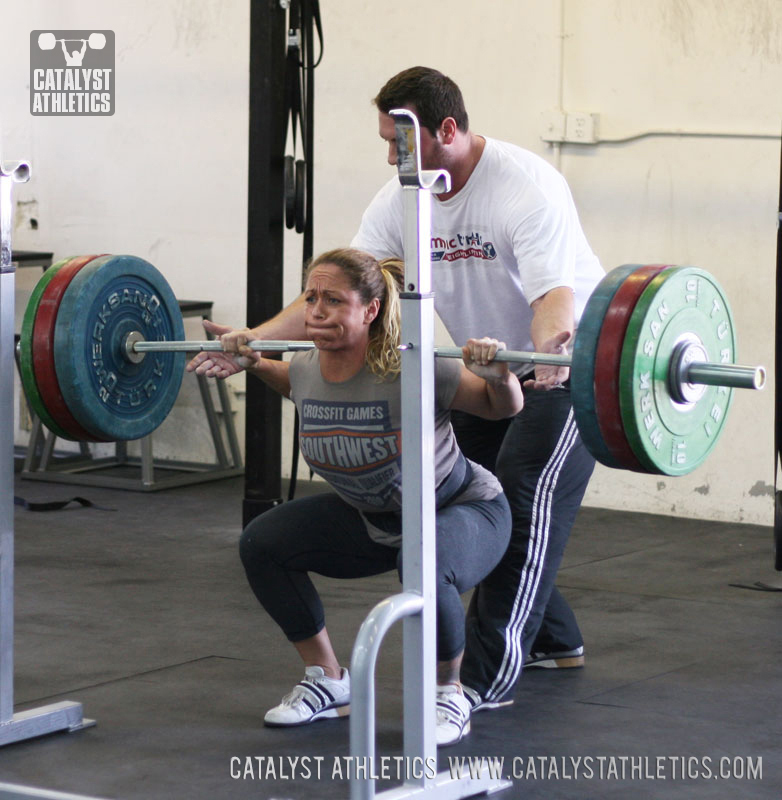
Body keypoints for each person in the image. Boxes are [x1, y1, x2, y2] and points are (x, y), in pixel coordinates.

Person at [190, 66, 605, 715]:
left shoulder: (525, 187)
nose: (391, 157)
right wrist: (256, 339)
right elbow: (344, 292)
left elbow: (555, 296)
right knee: (471, 506)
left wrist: (551, 353)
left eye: (400, 141)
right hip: (487, 368)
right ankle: (559, 639)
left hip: (565, 368)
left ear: (447, 128)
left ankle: (477, 684)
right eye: (386, 141)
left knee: (521, 503)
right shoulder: (403, 196)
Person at [190, 248, 523, 746]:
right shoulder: (305, 368)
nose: (317, 311)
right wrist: (253, 361)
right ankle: (328, 681)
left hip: (462, 508)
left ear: (369, 310)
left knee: (423, 561)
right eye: (311, 299)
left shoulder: (415, 366)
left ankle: (449, 691)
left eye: (334, 300)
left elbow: (503, 409)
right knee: (262, 543)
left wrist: (501, 375)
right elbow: (292, 384)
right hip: (374, 518)